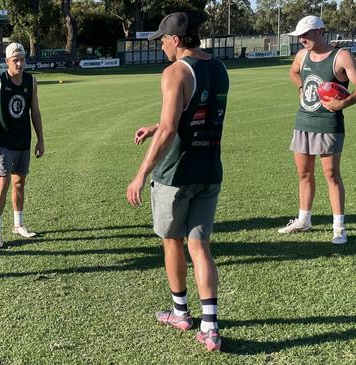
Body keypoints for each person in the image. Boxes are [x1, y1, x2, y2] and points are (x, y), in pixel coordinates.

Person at [126, 12, 229, 352]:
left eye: (161, 40)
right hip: (209, 169)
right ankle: (210, 327)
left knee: (172, 241)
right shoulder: (219, 68)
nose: (160, 47)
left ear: (174, 39)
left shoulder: (175, 72)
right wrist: (155, 127)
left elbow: (173, 129)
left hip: (176, 175)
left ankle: (181, 313)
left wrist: (141, 174)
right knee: (200, 246)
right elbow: (196, 114)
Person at [278, 15, 356, 245]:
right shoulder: (302, 55)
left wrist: (342, 103)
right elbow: (293, 72)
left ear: (320, 31)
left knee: (331, 175)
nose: (301, 39)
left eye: (306, 34)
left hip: (329, 125)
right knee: (304, 174)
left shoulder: (341, 57)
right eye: (299, 35)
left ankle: (339, 227)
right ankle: (304, 220)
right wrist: (301, 86)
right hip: (303, 122)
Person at [0, 43, 45, 249]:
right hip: (3, 143)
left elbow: (34, 112)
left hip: (23, 142)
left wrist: (40, 140)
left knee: (20, 183)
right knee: (3, 183)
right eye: (15, 60)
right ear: (7, 61)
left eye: (22, 59)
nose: (19, 63)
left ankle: (18, 224)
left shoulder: (31, 81)